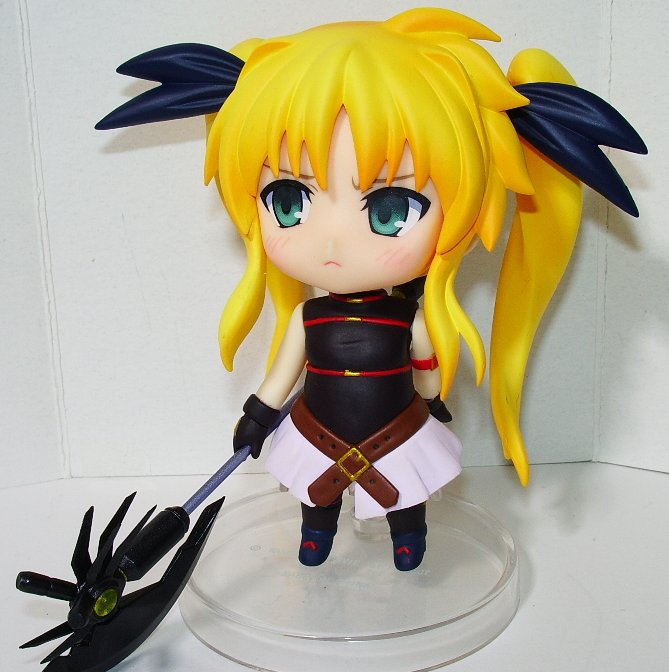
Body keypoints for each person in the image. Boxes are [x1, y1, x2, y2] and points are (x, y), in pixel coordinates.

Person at [96, 7, 645, 570]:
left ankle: (408, 537)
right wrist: (259, 414)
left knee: (404, 490)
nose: (333, 240)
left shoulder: (409, 320)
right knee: (317, 493)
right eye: (289, 201)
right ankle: (317, 536)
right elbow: (282, 374)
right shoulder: (309, 318)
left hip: (396, 429)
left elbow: (426, 367)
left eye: (390, 209)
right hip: (319, 432)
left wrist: (432, 398)